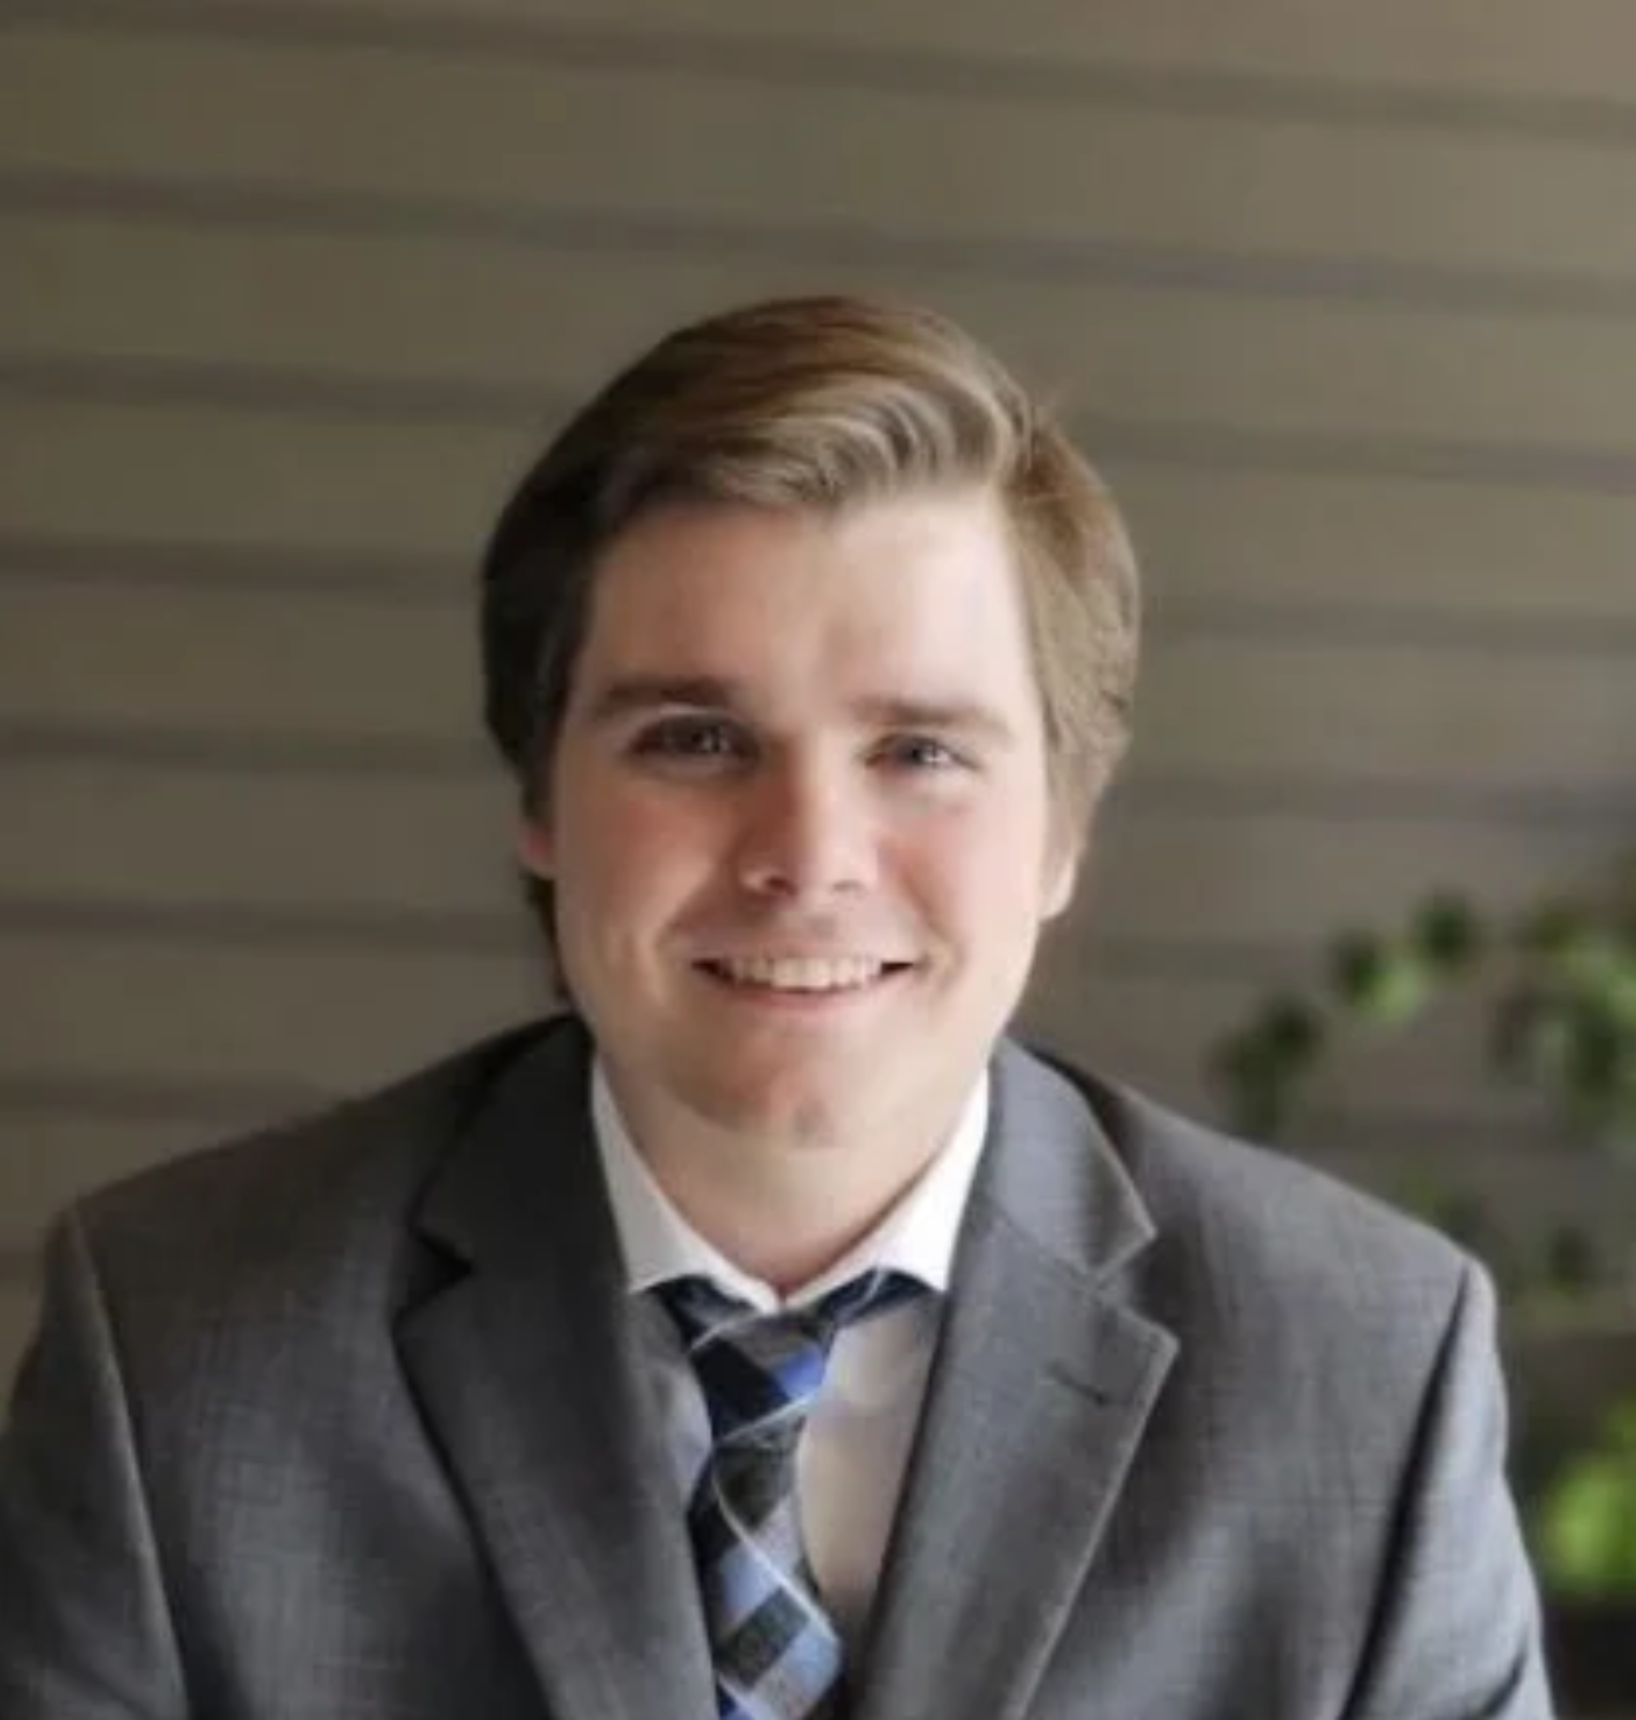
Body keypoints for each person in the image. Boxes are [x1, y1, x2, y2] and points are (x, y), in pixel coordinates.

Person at [0, 295, 1553, 1718]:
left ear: (1066, 826)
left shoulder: (1363, 1373)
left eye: (921, 751)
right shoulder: (182, 1352)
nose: (806, 858)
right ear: (540, 796)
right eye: (693, 739)